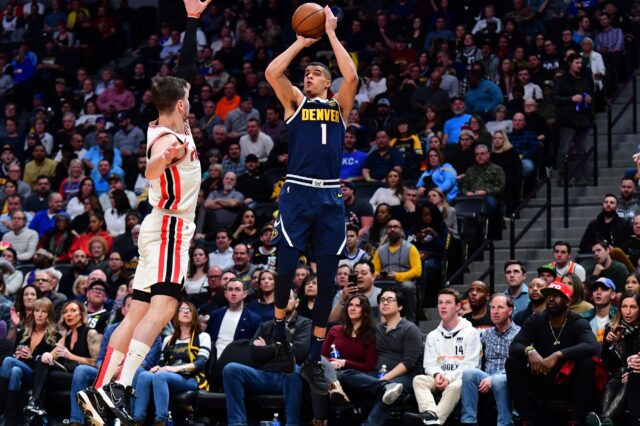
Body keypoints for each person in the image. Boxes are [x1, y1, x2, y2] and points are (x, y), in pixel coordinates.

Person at [77, 2, 208, 424]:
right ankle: (120, 386)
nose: (192, 96)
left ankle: (99, 390)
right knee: (165, 308)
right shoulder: (167, 138)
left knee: (136, 311)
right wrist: (161, 161)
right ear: (182, 104)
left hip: (158, 227)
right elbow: (150, 166)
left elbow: (185, 68)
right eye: (189, 96)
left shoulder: (172, 121)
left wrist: (191, 20)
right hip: (170, 227)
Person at [264, 5, 358, 393]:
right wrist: (301, 41)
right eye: (307, 72)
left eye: (317, 72)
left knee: (326, 280)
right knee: (285, 271)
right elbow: (273, 73)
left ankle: (315, 357)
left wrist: (331, 33)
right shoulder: (296, 103)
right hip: (297, 193)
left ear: (328, 82)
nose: (309, 74)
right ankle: (282, 329)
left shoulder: (340, 107)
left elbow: (350, 74)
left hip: (330, 198)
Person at [506, 280, 598, 425]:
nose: (550, 299)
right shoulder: (535, 320)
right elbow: (514, 346)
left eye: (556, 296)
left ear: (567, 302)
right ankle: (526, 419)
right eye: (548, 295)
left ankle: (576, 419)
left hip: (567, 381)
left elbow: (591, 346)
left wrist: (558, 355)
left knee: (586, 363)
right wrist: (530, 351)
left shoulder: (578, 322)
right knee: (512, 362)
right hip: (541, 376)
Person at [222, 289, 311, 426]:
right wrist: (284, 346)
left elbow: (298, 352)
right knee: (231, 369)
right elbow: (253, 354)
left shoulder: (305, 324)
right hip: (264, 375)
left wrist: (267, 348)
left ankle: (292, 423)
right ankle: (237, 423)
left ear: (296, 303)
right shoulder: (266, 325)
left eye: (288, 299)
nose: (283, 302)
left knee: (292, 370)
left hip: (288, 376)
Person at [69, 295, 162, 426]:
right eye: (131, 307)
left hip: (133, 373)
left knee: (139, 373)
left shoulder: (152, 334)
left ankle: (132, 420)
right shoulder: (112, 330)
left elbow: (145, 363)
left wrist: (117, 372)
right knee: (81, 370)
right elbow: (100, 360)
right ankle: (76, 421)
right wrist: (110, 372)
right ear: (123, 310)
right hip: (109, 369)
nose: (138, 310)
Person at [340, 287, 423, 426]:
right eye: (382, 300)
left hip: (405, 376)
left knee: (395, 389)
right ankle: (383, 388)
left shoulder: (410, 329)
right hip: (378, 374)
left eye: (390, 300)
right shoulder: (376, 329)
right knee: (346, 374)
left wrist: (385, 379)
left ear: (400, 306)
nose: (385, 303)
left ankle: (370, 423)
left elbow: (408, 363)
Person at [132, 301, 211, 424]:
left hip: (191, 378)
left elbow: (200, 363)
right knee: (144, 375)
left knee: (160, 376)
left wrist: (174, 369)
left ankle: (161, 420)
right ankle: (137, 419)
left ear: (194, 314)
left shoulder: (203, 336)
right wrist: (158, 367)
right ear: (176, 315)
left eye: (188, 310)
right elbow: (162, 362)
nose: (185, 311)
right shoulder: (169, 339)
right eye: (182, 309)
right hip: (168, 375)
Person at [412, 289, 482, 426]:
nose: (443, 306)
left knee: (455, 386)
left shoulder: (471, 332)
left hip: (463, 380)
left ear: (458, 307)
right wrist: (437, 374)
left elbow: (470, 366)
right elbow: (429, 364)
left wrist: (448, 378)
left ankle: (434, 421)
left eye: (448, 302)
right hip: (440, 379)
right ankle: (430, 414)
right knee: (419, 380)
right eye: (440, 303)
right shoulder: (433, 335)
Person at [25, 300, 101, 419]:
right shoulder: (65, 337)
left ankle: (37, 404)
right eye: (65, 312)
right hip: (66, 373)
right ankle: (35, 402)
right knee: (43, 360)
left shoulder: (91, 333)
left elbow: (97, 363)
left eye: (73, 311)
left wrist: (71, 356)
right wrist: (48, 355)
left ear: (81, 314)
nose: (68, 314)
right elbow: (53, 354)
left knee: (48, 376)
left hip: (83, 376)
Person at [312, 294, 376, 423]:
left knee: (318, 377)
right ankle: (334, 388)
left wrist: (344, 363)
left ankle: (320, 421)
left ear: (365, 311)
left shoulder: (371, 334)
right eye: (350, 305)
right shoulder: (335, 330)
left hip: (353, 375)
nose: (352, 308)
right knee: (316, 369)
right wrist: (332, 363)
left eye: (357, 306)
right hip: (330, 370)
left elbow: (370, 365)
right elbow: (322, 356)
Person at [460, 294, 521, 426]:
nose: (495, 311)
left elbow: (519, 365)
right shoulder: (486, 333)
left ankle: (505, 423)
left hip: (508, 375)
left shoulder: (519, 333)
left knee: (499, 380)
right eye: (492, 308)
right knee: (469, 373)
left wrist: (492, 379)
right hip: (487, 374)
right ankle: (468, 421)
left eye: (500, 307)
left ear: (510, 311)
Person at [0, 298, 59, 426]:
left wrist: (30, 357)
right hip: (21, 371)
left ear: (49, 315)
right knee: (15, 370)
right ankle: (10, 418)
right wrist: (17, 355)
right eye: (36, 310)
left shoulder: (55, 336)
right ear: (32, 313)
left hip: (37, 376)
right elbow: (12, 353)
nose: (39, 314)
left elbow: (46, 363)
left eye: (44, 311)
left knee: (8, 361)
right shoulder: (24, 332)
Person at [587, 292, 640, 426]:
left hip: (635, 375)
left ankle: (602, 419)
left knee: (629, 379)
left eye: (633, 307)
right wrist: (609, 344)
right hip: (618, 374)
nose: (627, 312)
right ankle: (604, 421)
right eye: (624, 306)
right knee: (613, 383)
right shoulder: (612, 327)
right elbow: (608, 363)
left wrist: (631, 372)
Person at [372, 219, 422, 322]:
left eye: (395, 227)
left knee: (408, 286)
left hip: (402, 282)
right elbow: (374, 270)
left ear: (401, 230)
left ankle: (411, 321)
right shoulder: (380, 250)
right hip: (385, 282)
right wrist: (379, 275)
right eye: (389, 227)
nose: (392, 229)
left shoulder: (410, 248)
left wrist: (398, 276)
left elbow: (417, 270)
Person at [205, 277, 261, 361]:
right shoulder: (215, 315)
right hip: (212, 360)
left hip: (237, 362)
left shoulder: (254, 319)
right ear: (225, 294)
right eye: (230, 289)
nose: (233, 293)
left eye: (237, 290)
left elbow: (253, 349)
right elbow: (208, 339)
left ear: (245, 294)